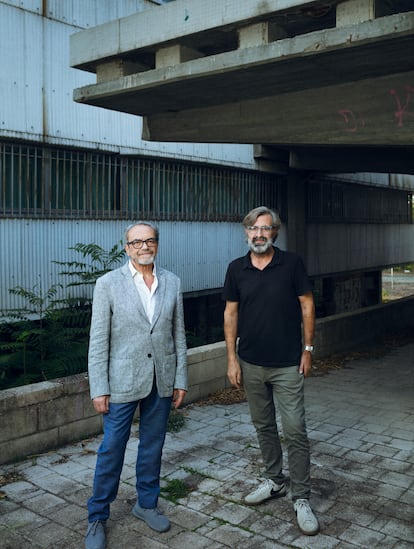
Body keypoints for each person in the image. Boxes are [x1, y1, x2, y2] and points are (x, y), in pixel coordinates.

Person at [85, 221, 188, 549]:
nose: (144, 246)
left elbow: (178, 335)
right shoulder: (107, 284)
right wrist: (98, 386)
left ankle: (146, 504)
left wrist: (180, 379)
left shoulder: (172, 282)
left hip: (161, 379)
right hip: (121, 383)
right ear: (126, 247)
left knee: (152, 445)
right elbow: (98, 339)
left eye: (150, 241)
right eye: (136, 242)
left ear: (157, 244)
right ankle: (97, 516)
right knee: (112, 448)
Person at [222, 206, 319, 536]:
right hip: (250, 363)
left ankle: (302, 497)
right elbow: (230, 314)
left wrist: (307, 350)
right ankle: (275, 481)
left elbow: (307, 305)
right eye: (253, 228)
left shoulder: (291, 264)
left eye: (265, 229)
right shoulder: (236, 269)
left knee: (294, 430)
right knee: (263, 426)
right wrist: (232, 359)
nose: (259, 234)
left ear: (274, 233)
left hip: (289, 364)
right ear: (245, 233)